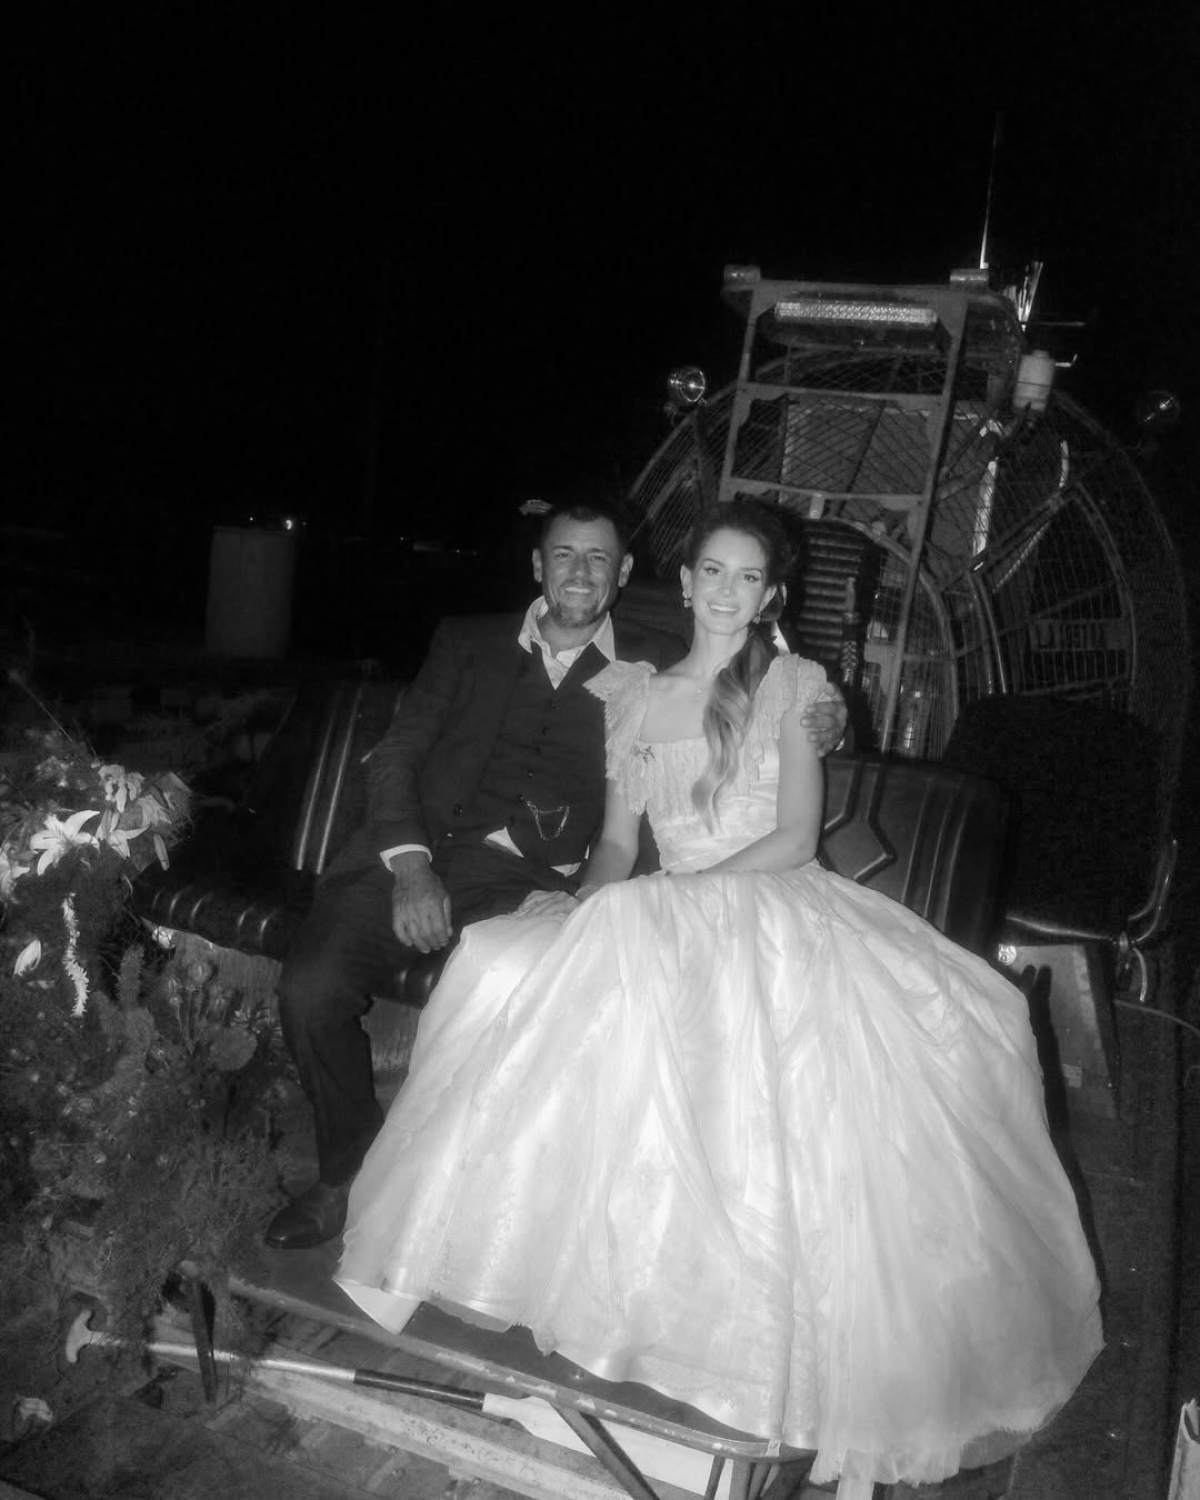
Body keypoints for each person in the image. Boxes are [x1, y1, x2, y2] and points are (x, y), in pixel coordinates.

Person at [336, 498, 1103, 1496]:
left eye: (749, 578)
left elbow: (794, 838)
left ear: (771, 595)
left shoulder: (792, 685)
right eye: (712, 572)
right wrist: (589, 909)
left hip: (769, 900)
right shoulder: (632, 694)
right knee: (498, 961)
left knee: (750, 1056)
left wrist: (673, 899)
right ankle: (495, 1265)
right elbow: (619, 841)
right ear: (686, 581)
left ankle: (729, 1345)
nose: (727, 593)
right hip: (664, 903)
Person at [266, 499, 849, 1250]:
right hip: (426, 859)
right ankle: (349, 1173)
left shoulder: (648, 657)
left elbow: (756, 687)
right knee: (311, 986)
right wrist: (410, 866)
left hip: (536, 880)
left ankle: (478, 1189)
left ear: (626, 572)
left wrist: (834, 715)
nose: (580, 571)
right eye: (564, 554)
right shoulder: (466, 641)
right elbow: (398, 755)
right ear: (537, 564)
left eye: (599, 557)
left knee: (506, 979)